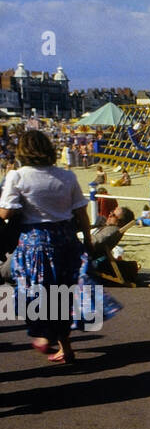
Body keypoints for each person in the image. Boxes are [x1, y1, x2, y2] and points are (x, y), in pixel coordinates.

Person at [0, 130, 94, 364]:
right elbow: (82, 213)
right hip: (66, 237)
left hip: (35, 239)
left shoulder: (17, 176)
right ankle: (67, 348)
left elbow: (6, 211)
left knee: (36, 290)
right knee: (64, 292)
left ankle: (43, 335)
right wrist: (88, 242)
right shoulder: (67, 176)